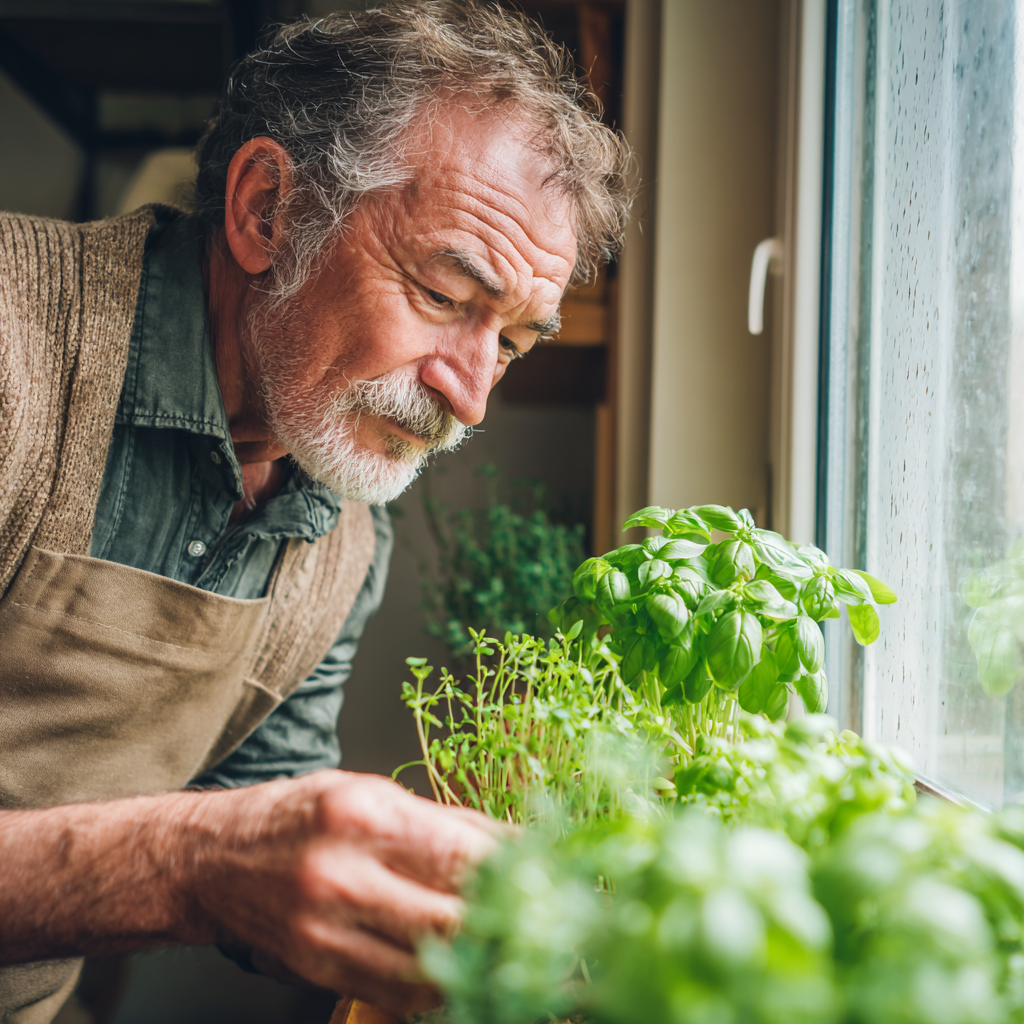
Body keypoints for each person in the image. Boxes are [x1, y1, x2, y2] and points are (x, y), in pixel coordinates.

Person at [0, 2, 629, 1020]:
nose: (471, 398)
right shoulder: (14, 352)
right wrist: (197, 867)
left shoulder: (343, 538)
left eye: (510, 344)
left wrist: (439, 909)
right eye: (443, 295)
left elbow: (261, 836)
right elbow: (221, 856)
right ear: (267, 212)